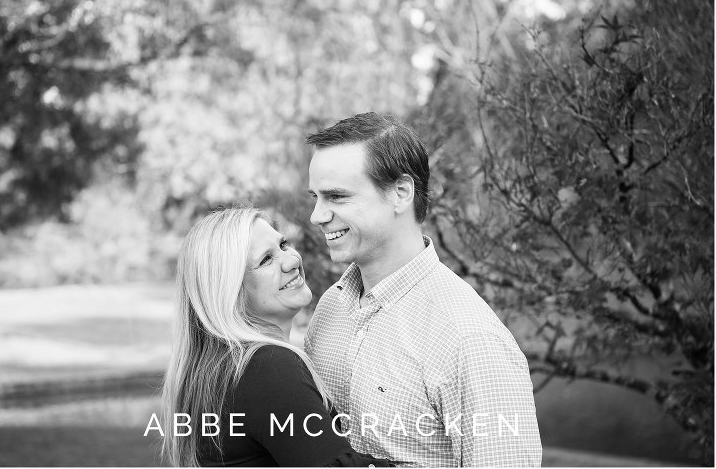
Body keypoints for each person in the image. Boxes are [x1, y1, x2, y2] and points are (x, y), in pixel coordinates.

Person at [304, 112, 542, 467]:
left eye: (336, 197)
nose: (317, 216)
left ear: (400, 193)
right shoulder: (331, 309)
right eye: (316, 197)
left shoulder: (468, 338)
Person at [161, 207, 389, 467]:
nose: (292, 260)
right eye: (266, 260)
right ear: (231, 291)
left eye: (283, 244)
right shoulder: (267, 367)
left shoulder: (220, 369)